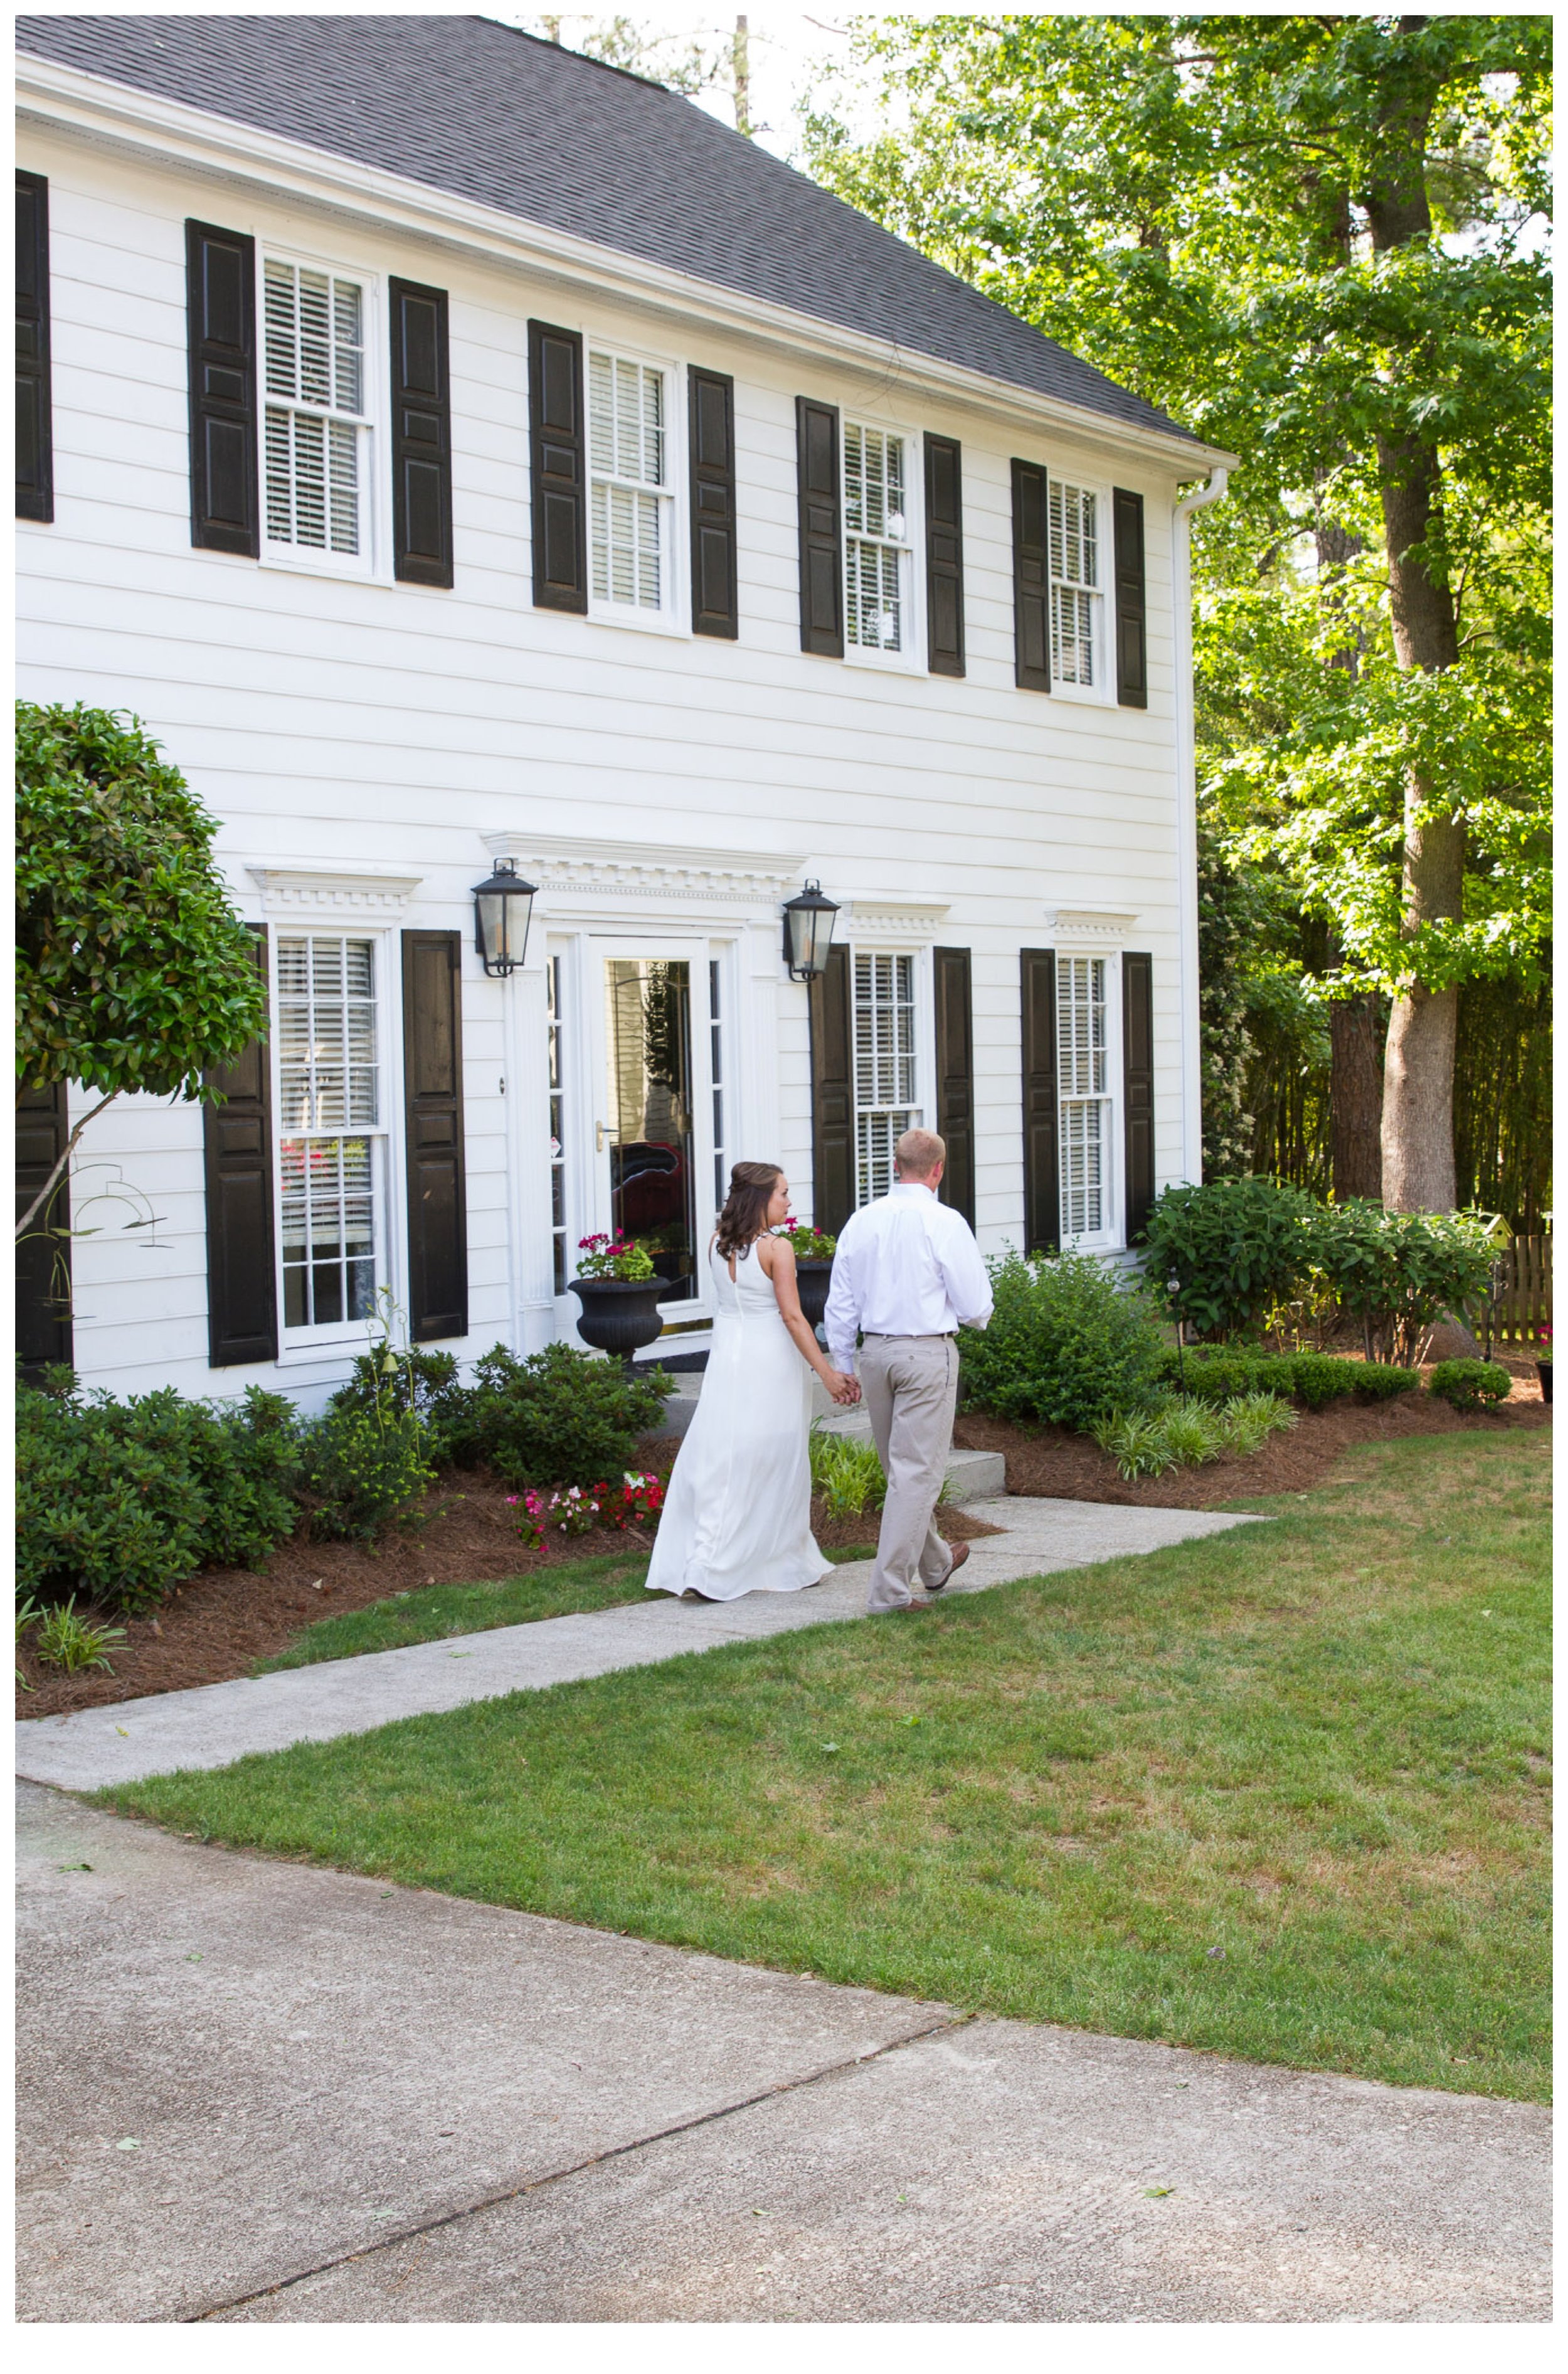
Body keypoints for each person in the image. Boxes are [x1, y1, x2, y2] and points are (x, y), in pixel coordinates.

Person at [646, 1161, 860, 1602]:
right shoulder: (776, 1249)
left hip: (728, 1356)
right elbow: (793, 1316)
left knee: (724, 1452)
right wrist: (828, 1373)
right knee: (774, 1454)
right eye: (784, 1192)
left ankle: (728, 1556)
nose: (789, 1201)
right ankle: (750, 1561)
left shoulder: (714, 1244)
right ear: (762, 1198)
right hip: (769, 1361)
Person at [824, 1128, 993, 1613]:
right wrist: (971, 1315)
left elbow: (840, 1303)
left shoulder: (862, 1221)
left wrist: (843, 1362)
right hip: (925, 1353)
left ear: (895, 1165)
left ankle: (937, 1563)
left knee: (901, 1473)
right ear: (938, 1169)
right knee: (915, 1476)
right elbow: (976, 1305)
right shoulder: (945, 1221)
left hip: (875, 1354)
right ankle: (889, 1593)